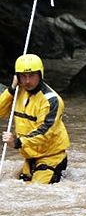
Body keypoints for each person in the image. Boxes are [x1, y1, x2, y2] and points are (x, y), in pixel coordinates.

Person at [0, 54, 70, 183]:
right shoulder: (17, 92)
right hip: (30, 156)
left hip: (51, 157)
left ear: (40, 75)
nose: (27, 81)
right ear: (17, 77)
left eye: (31, 75)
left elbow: (45, 133)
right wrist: (11, 90)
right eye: (23, 76)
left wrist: (17, 142)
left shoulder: (52, 101)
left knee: (33, 192)